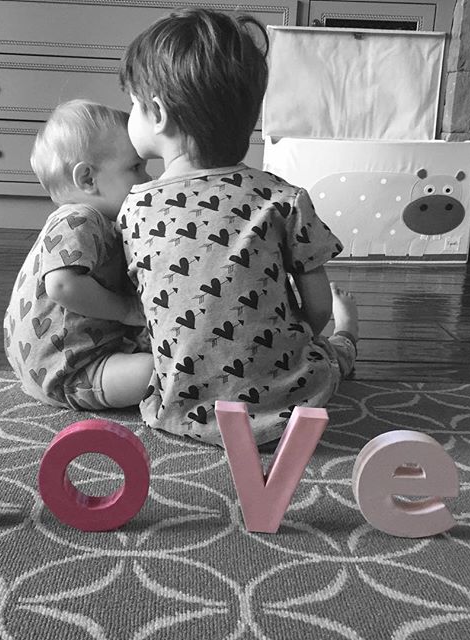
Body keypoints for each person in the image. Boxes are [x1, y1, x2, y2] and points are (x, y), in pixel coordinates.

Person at [117, 8, 359, 446]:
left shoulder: (135, 208)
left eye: (133, 103)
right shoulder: (283, 199)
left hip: (181, 407)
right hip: (290, 400)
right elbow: (318, 307)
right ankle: (350, 337)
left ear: (158, 114)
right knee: (327, 354)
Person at [4, 99, 153, 410]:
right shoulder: (79, 219)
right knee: (156, 371)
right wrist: (126, 310)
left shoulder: (92, 221)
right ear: (87, 179)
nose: (148, 179)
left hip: (55, 361)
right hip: (69, 370)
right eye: (135, 167)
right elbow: (62, 286)